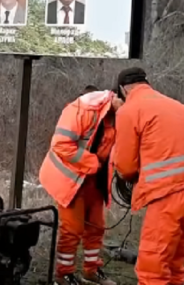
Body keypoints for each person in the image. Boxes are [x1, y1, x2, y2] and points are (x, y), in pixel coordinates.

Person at [113, 68, 184, 285]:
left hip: (170, 194)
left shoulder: (129, 110)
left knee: (152, 265)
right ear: (147, 83)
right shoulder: (183, 108)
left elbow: (125, 165)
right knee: (175, 262)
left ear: (123, 89)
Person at [39, 89, 120, 285]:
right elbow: (61, 145)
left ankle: (91, 270)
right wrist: (92, 163)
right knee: (72, 229)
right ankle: (63, 274)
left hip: (94, 180)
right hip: (70, 179)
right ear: (117, 96)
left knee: (96, 227)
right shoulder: (81, 111)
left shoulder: (117, 117)